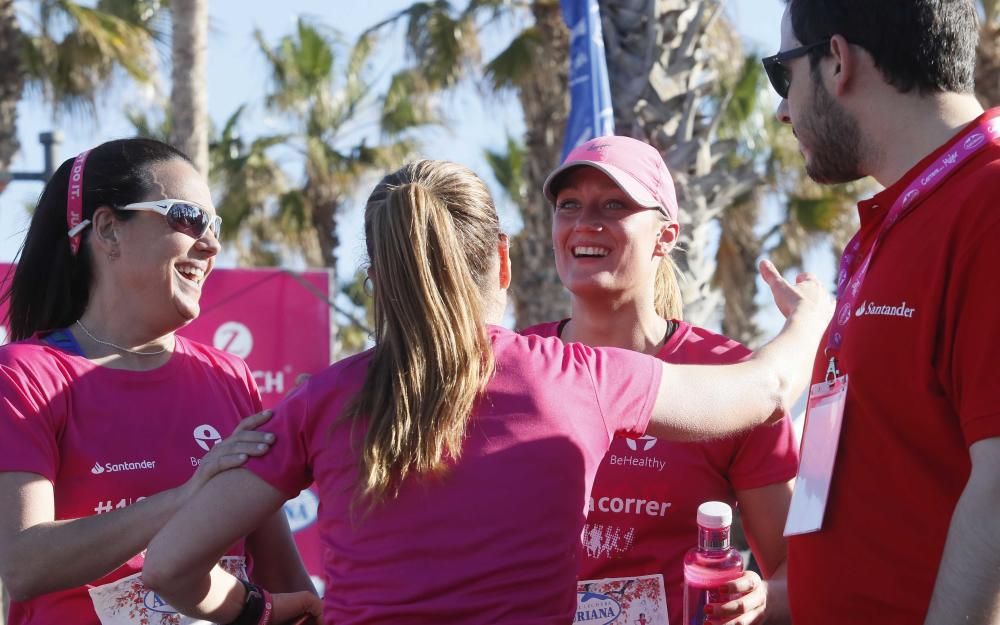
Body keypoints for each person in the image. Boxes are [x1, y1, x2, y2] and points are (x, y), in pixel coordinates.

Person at [142, 159, 831, 625]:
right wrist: (811, 318)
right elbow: (768, 388)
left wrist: (264, 609)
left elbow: (171, 565)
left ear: (378, 280)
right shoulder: (578, 376)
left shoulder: (321, 399)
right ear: (501, 257)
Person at [0, 138, 318, 625]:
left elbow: (282, 575)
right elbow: (24, 563)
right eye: (188, 218)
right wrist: (188, 495)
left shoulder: (228, 377)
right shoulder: (25, 375)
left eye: (215, 226)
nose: (210, 244)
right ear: (108, 229)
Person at [763, 1, 1000, 623]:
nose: (783, 108)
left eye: (782, 73)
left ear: (836, 60)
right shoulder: (895, 220)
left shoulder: (990, 200)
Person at [523, 135, 796, 625]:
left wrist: (758, 601)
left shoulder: (731, 381)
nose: (586, 222)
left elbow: (796, 575)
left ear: (665, 236)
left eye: (614, 204)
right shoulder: (511, 368)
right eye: (569, 205)